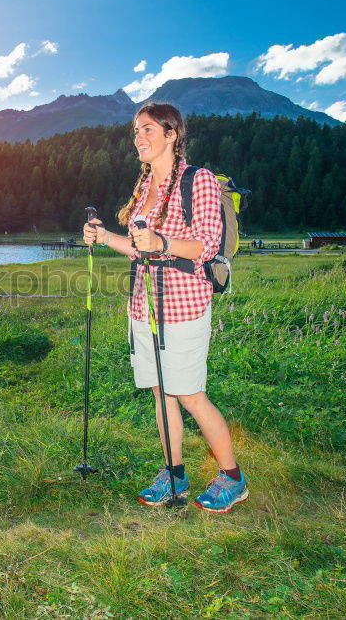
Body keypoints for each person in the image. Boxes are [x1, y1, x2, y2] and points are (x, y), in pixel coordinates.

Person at [82, 102, 248, 513]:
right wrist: (103, 238)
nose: (139, 138)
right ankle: (174, 474)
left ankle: (233, 478)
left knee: (190, 394)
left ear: (172, 134)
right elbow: (141, 251)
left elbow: (206, 246)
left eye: (149, 130)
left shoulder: (200, 181)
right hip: (144, 306)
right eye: (136, 131)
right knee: (162, 392)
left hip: (184, 305)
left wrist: (164, 243)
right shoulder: (144, 189)